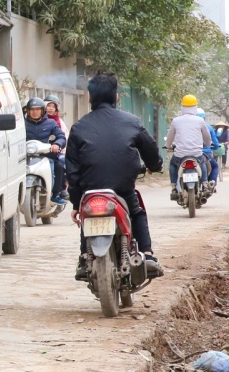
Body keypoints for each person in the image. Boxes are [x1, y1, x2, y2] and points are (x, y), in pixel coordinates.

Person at [64, 73, 164, 281]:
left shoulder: (79, 127)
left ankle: (85, 257)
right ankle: (147, 255)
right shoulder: (131, 122)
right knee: (136, 212)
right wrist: (155, 166)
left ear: (90, 97)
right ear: (116, 97)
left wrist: (76, 202)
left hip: (89, 193)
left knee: (86, 216)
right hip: (122, 189)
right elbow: (152, 152)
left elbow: (72, 171)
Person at [166, 95, 212, 200]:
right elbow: (207, 136)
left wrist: (168, 145)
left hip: (180, 155)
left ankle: (173, 187)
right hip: (196, 154)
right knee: (203, 162)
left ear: (182, 107)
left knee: (173, 165)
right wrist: (209, 143)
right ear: (195, 107)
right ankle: (205, 185)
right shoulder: (200, 120)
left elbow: (170, 137)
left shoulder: (176, 121)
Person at [24, 97, 68, 205]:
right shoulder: (22, 124)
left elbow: (61, 136)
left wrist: (57, 144)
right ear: (28, 111)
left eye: (37, 109)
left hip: (47, 156)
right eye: (32, 109)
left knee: (59, 166)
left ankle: (56, 194)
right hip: (27, 156)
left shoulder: (51, 123)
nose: (35, 112)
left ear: (42, 110)